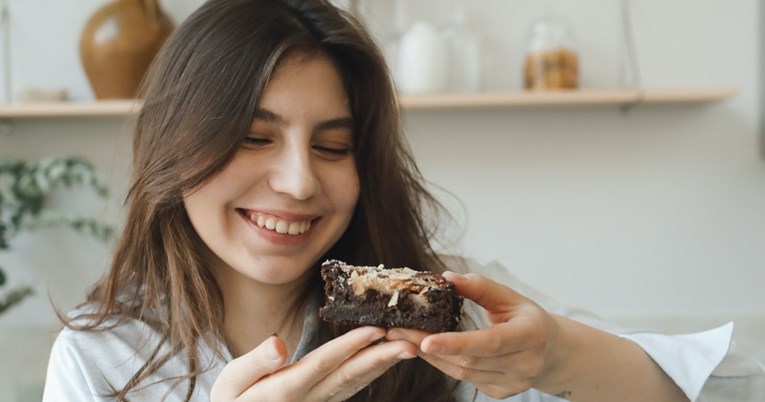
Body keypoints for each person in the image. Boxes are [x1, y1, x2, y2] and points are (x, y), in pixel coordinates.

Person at [43, 0, 764, 401]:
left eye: (332, 146)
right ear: (177, 142)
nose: (298, 182)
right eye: (253, 138)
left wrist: (557, 356)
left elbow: (735, 390)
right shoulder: (100, 359)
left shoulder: (446, 316)